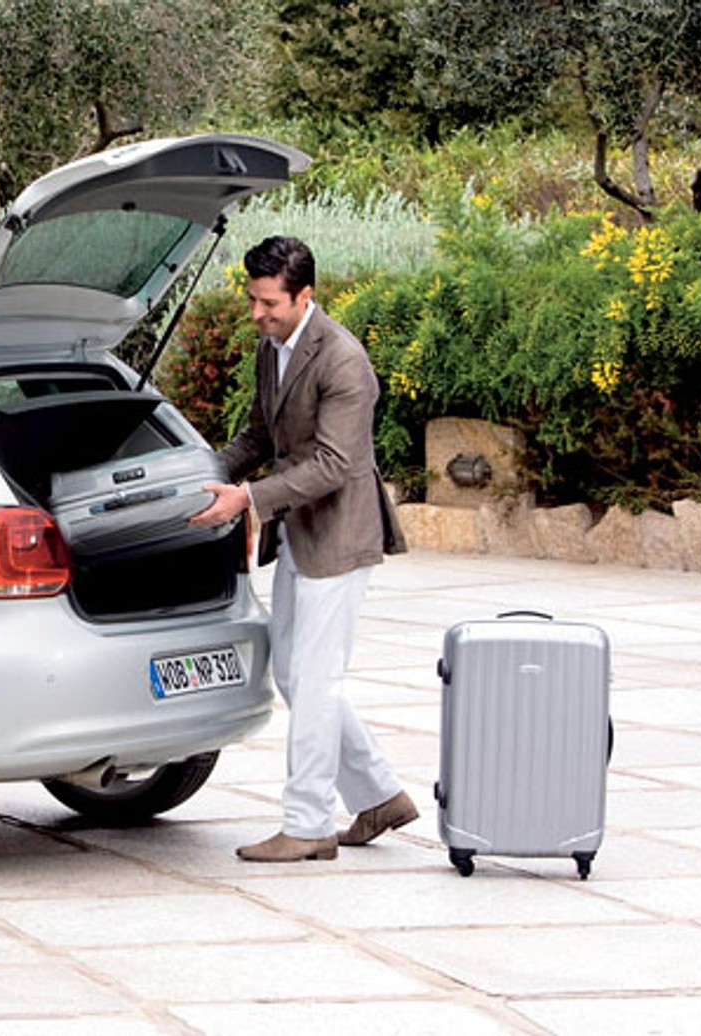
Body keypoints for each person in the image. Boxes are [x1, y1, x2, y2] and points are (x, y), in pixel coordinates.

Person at [188, 235, 414, 863]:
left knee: (315, 680)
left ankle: (310, 823)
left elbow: (334, 464)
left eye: (269, 303)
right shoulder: (274, 348)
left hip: (339, 536)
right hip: (298, 532)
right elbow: (260, 433)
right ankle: (379, 794)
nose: (257, 314)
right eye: (253, 301)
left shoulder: (344, 362)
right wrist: (199, 468)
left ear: (305, 296)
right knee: (292, 670)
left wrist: (249, 501)